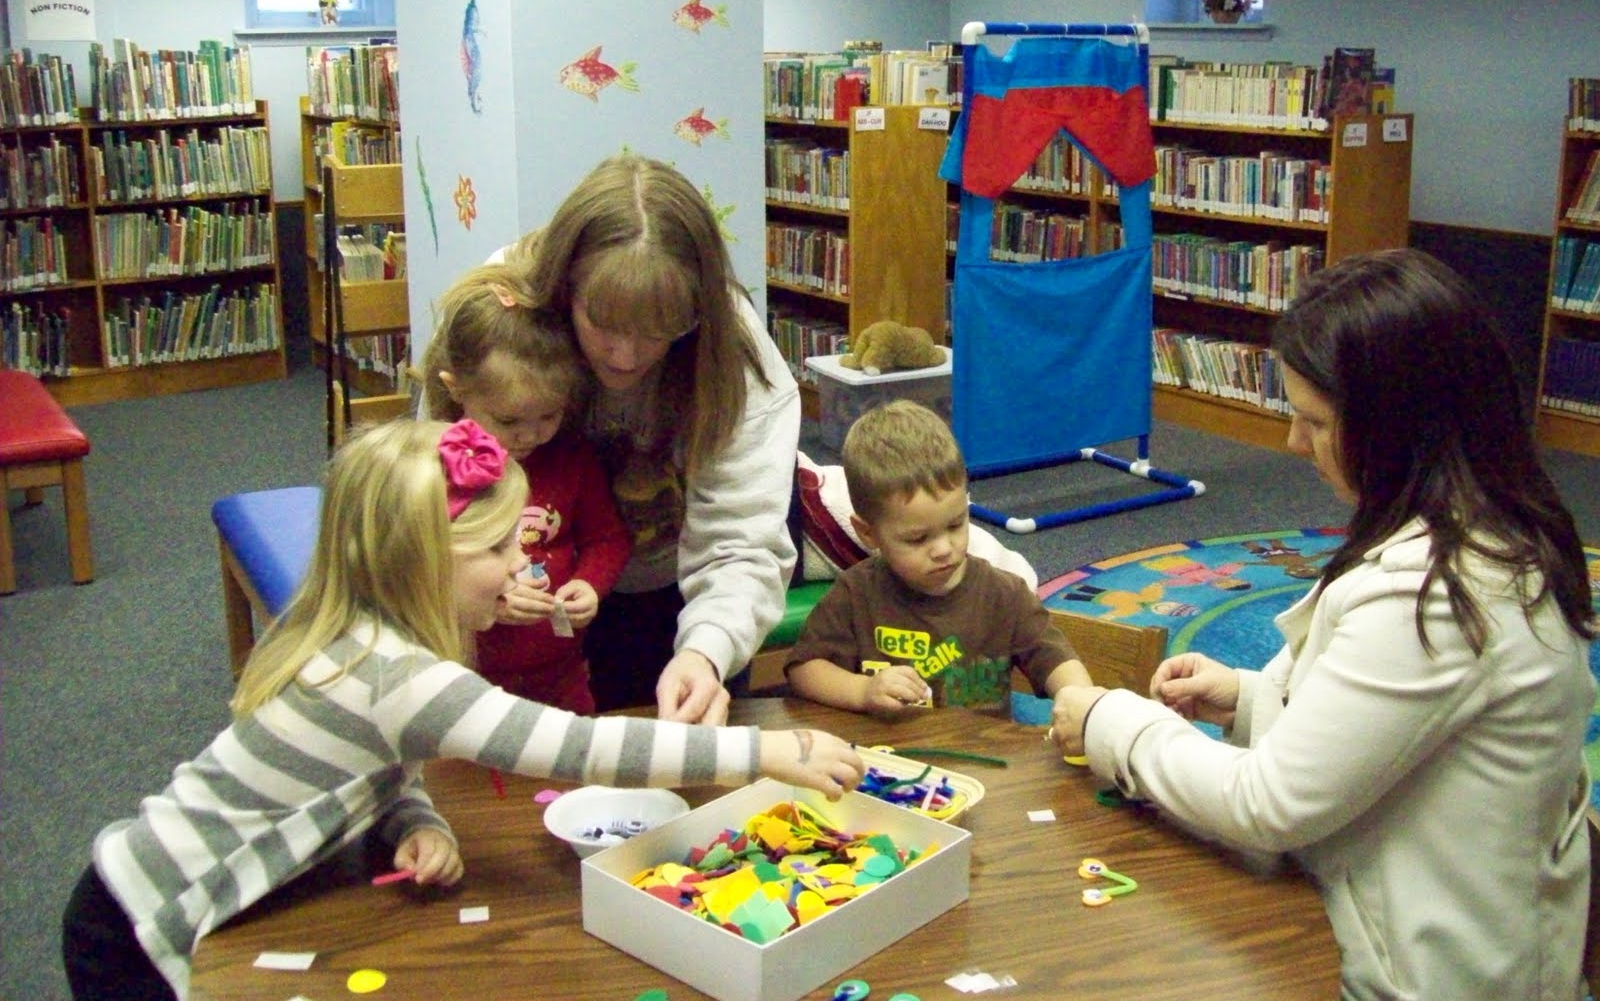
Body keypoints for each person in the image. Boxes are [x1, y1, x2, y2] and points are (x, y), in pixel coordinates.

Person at [60, 418, 863, 1001]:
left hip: (151, 896)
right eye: (497, 550)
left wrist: (416, 821)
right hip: (140, 922)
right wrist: (761, 755)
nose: (525, 565)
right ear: (422, 564)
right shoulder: (396, 675)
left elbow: (381, 764)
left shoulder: (380, 647)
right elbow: (579, 749)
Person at [1050, 248, 1595, 1000]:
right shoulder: (1476, 528)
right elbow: (1395, 730)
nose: (1292, 445)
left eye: (1314, 422)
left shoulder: (1437, 593)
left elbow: (1266, 804)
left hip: (1424, 974)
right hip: (1408, 914)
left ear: (1401, 427)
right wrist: (1247, 697)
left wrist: (1114, 722)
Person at [506, 153, 800, 725]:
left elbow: (741, 541)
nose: (627, 356)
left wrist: (706, 650)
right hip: (534, 587)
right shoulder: (502, 316)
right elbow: (444, 489)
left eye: (659, 332)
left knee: (685, 750)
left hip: (684, 583)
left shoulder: (735, 350)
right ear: (565, 289)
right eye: (604, 325)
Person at [785, 400, 1092, 715]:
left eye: (956, 524)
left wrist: (1082, 700)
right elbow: (804, 670)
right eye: (918, 538)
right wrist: (863, 690)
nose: (944, 548)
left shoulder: (1004, 594)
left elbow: (1056, 660)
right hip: (891, 755)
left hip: (979, 756)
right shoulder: (855, 594)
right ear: (869, 535)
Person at [420, 262, 630, 713]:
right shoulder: (438, 468)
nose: (530, 436)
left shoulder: (570, 459)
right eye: (509, 421)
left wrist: (589, 585)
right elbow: (417, 569)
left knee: (571, 775)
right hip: (465, 677)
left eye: (549, 416)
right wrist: (487, 600)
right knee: (469, 783)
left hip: (562, 674)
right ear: (456, 390)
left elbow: (606, 537)